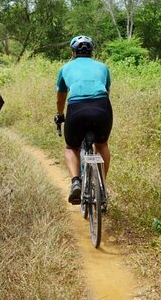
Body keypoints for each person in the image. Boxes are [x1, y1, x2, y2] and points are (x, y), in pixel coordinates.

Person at [54, 35, 112, 205]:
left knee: (71, 147)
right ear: (92, 51)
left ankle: (76, 182)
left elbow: (60, 98)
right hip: (101, 106)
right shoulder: (103, 67)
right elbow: (106, 91)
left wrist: (60, 115)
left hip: (76, 108)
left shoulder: (65, 68)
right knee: (102, 144)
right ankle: (101, 187)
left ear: (73, 52)